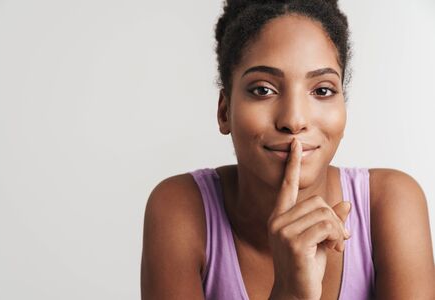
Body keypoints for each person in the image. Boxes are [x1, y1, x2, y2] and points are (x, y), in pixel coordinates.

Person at [141, 0, 435, 299]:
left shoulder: (390, 203)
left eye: (322, 90)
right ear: (225, 111)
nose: (294, 120)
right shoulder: (181, 209)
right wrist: (289, 292)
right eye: (263, 90)